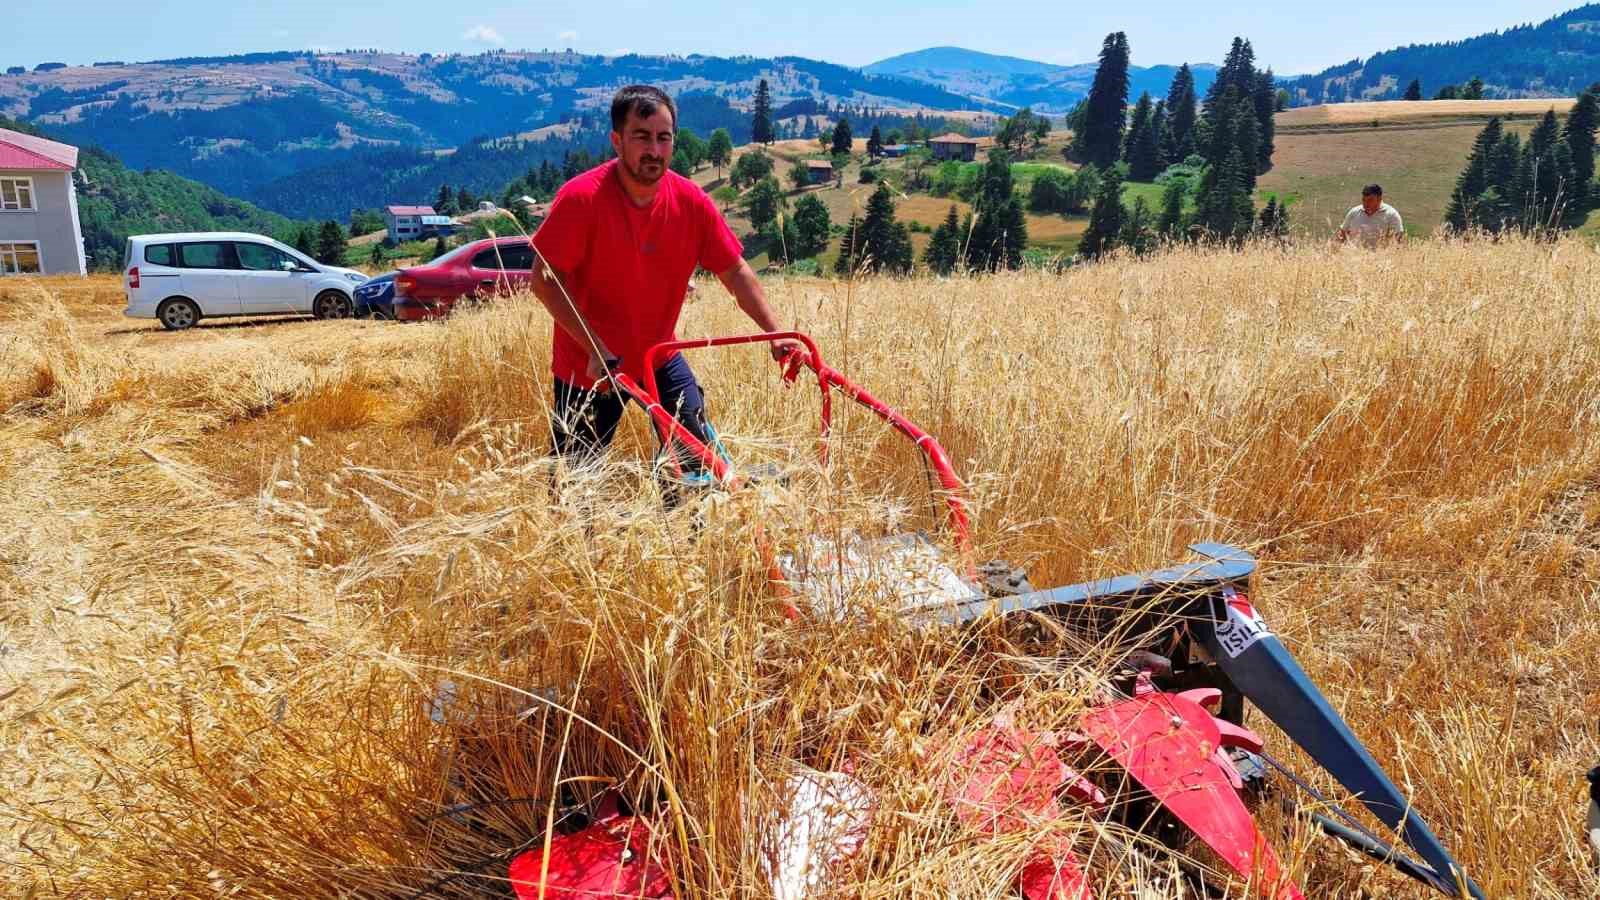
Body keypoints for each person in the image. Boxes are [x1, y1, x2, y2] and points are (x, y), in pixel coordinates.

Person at [529, 84, 800, 473]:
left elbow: (735, 270)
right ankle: (578, 534)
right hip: (591, 365)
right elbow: (544, 280)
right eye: (642, 137)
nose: (654, 150)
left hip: (659, 354)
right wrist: (593, 347)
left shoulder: (691, 203)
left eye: (663, 137)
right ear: (617, 141)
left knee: (696, 458)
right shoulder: (582, 199)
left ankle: (685, 526)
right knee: (576, 484)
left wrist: (777, 333)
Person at [1337, 184, 1404, 247]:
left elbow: (1398, 240)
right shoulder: (1354, 212)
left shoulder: (1391, 215)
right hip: (1355, 256)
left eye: (1370, 200)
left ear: (1379, 199)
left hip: (1382, 257)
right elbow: (1342, 233)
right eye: (1364, 200)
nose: (1366, 204)